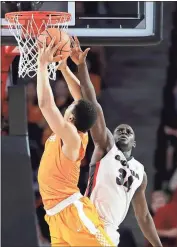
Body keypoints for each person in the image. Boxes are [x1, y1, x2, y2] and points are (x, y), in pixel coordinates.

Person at [70, 36, 163, 247]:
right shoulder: (105, 147)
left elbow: (144, 217)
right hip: (90, 221)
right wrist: (82, 67)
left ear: (134, 143)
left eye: (127, 131)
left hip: (110, 231)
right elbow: (92, 103)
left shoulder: (140, 172)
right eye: (119, 130)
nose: (122, 132)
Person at [37, 37, 115, 246]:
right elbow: (81, 97)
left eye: (68, 107)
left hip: (72, 213)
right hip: (55, 215)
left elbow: (45, 104)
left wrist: (42, 65)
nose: (66, 107)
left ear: (70, 117)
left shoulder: (71, 136)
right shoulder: (76, 130)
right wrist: (64, 68)